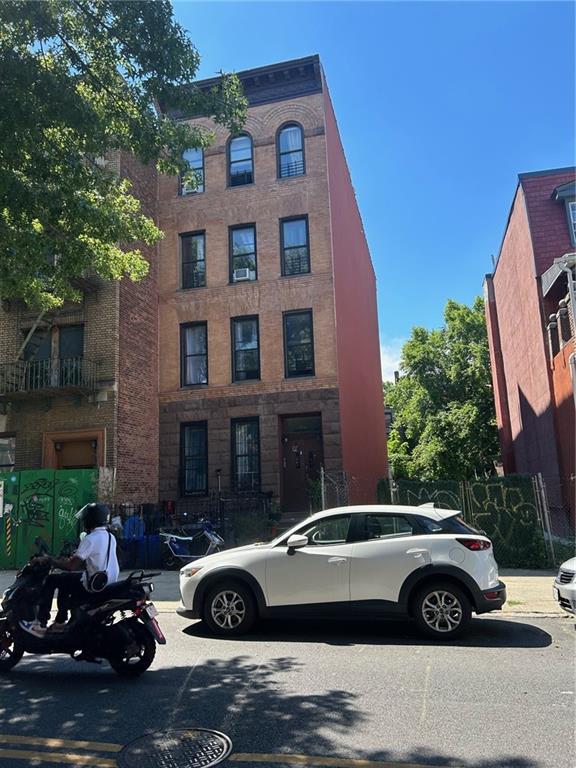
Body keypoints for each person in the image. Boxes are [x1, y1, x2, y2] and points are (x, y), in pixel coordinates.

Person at [20, 502, 120, 637]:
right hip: (106, 580)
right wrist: (75, 558)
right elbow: (93, 560)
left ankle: (41, 623)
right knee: (65, 581)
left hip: (93, 585)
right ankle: (60, 622)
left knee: (52, 579)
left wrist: (50, 560)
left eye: (86, 518)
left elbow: (70, 567)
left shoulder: (91, 538)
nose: (84, 521)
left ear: (92, 519)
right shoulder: (110, 537)